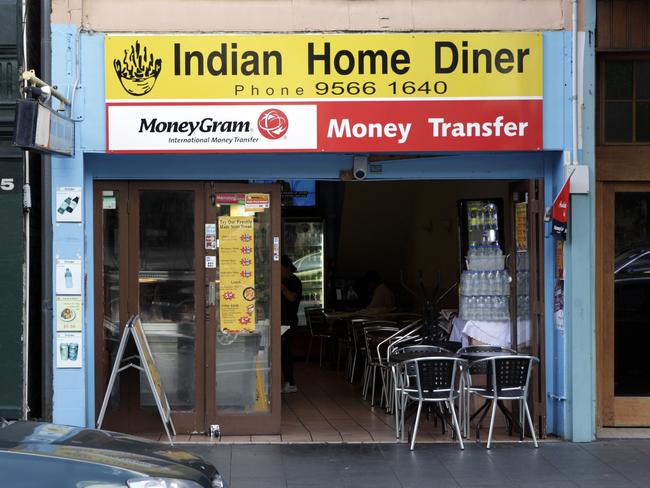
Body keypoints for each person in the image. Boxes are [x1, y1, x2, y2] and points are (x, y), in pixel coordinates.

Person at [281, 254, 302, 393]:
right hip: (282, 320)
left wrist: (281, 287)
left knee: (286, 351)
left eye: (280, 268)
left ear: (287, 267)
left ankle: (290, 382)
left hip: (289, 321)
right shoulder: (284, 280)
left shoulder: (294, 281)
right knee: (282, 351)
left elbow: (292, 298)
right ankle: (286, 381)